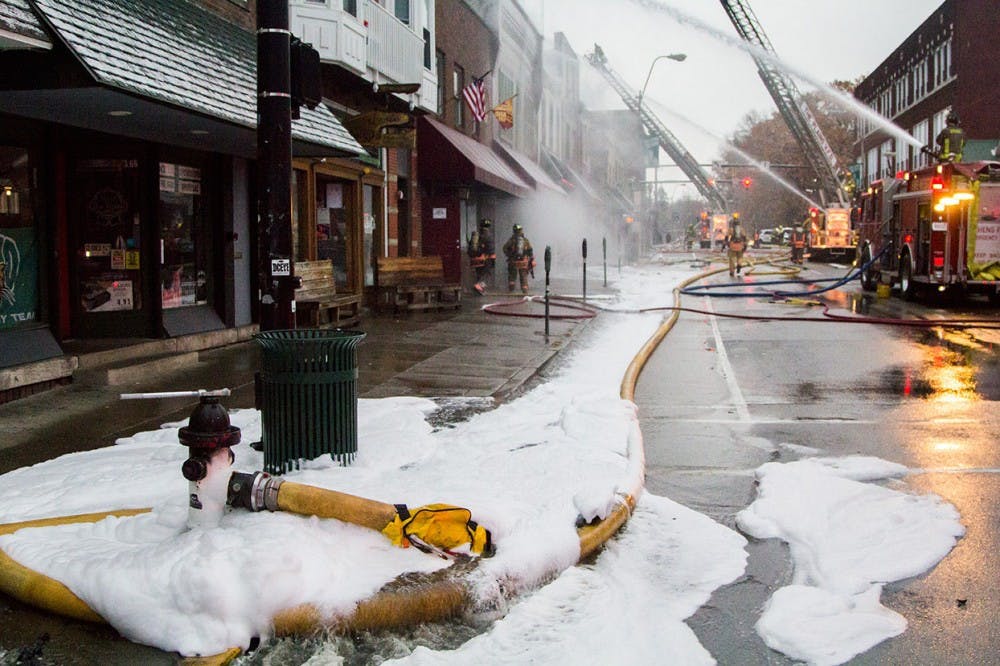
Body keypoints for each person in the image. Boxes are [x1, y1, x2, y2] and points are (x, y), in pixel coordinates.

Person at [503, 224, 534, 293]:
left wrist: (509, 255)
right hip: (523, 262)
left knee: (512, 276)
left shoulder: (511, 240)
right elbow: (530, 250)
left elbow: (504, 248)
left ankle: (511, 290)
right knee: (523, 276)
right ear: (521, 231)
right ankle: (524, 290)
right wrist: (530, 258)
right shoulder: (525, 240)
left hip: (513, 261)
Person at [467, 218, 495, 295]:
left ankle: (478, 291)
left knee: (479, 274)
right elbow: (490, 248)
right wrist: (492, 258)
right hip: (484, 259)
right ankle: (478, 286)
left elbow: (470, 247)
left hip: (475, 259)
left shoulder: (476, 235)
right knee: (487, 274)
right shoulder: (488, 235)